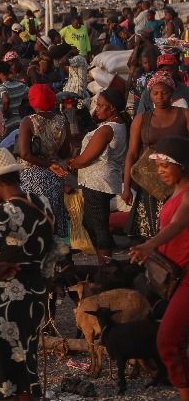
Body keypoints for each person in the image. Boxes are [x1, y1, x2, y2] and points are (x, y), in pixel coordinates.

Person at [0, 147, 56, 401]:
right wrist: (45, 284)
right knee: (26, 364)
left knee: (5, 372)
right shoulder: (42, 202)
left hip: (5, 300)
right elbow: (56, 248)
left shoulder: (6, 211)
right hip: (36, 292)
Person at [128, 136, 189, 401]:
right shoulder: (173, 190)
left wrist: (149, 245)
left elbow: (177, 224)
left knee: (168, 341)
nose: (160, 170)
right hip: (172, 276)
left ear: (182, 165)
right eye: (159, 165)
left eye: (165, 165)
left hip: (186, 276)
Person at [66, 89, 129, 263]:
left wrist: (70, 163)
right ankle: (107, 258)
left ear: (112, 108)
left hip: (98, 181)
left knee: (98, 225)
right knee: (91, 222)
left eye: (101, 106)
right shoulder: (116, 124)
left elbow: (85, 159)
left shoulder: (107, 129)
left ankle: (107, 264)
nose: (97, 109)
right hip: (102, 180)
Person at [125, 71, 189, 237]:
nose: (160, 97)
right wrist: (126, 186)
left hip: (178, 179)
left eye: (164, 93)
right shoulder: (141, 120)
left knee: (178, 227)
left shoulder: (184, 115)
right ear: (149, 95)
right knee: (152, 231)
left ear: (172, 94)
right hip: (149, 182)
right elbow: (131, 154)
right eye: (155, 93)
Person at [18, 84, 72, 240]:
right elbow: (64, 152)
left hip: (31, 177)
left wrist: (46, 163)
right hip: (55, 177)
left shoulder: (28, 121)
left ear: (32, 101)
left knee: (33, 223)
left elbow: (24, 153)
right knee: (53, 219)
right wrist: (51, 161)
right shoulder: (62, 121)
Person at [0, 62, 29, 137]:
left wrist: (5, 112)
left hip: (8, 125)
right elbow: (30, 94)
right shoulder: (20, 84)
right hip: (20, 122)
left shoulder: (3, 87)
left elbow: (5, 100)